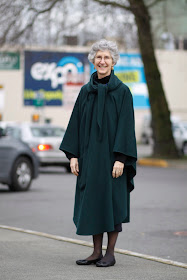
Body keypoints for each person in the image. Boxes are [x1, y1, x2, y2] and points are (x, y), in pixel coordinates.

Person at [59, 39, 137, 267]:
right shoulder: (85, 92)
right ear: (93, 61)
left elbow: (126, 126)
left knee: (112, 203)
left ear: (113, 63)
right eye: (99, 57)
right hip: (90, 160)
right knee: (93, 203)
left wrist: (121, 159)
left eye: (107, 58)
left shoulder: (123, 92)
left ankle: (110, 253)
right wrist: (73, 155)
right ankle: (95, 252)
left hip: (113, 161)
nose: (102, 61)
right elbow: (75, 124)